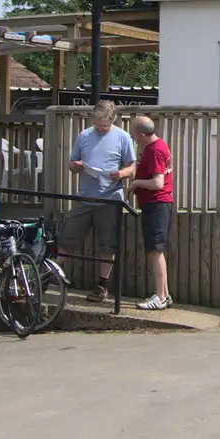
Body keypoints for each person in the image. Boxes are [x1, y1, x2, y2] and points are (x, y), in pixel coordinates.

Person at [61, 100, 137, 302]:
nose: (100, 128)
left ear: (112, 120)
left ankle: (102, 285)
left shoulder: (123, 137)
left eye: (103, 125)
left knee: (108, 245)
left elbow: (132, 167)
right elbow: (71, 163)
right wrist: (76, 166)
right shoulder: (84, 136)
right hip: (85, 198)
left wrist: (120, 173)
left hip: (110, 199)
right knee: (67, 238)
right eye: (97, 124)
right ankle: (52, 275)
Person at [127, 115, 174, 310]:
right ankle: (165, 293)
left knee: (155, 251)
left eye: (135, 133)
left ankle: (161, 297)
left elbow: (157, 183)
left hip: (157, 205)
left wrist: (136, 183)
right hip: (155, 205)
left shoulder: (155, 150)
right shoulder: (155, 146)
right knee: (154, 250)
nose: (133, 137)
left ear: (143, 133)